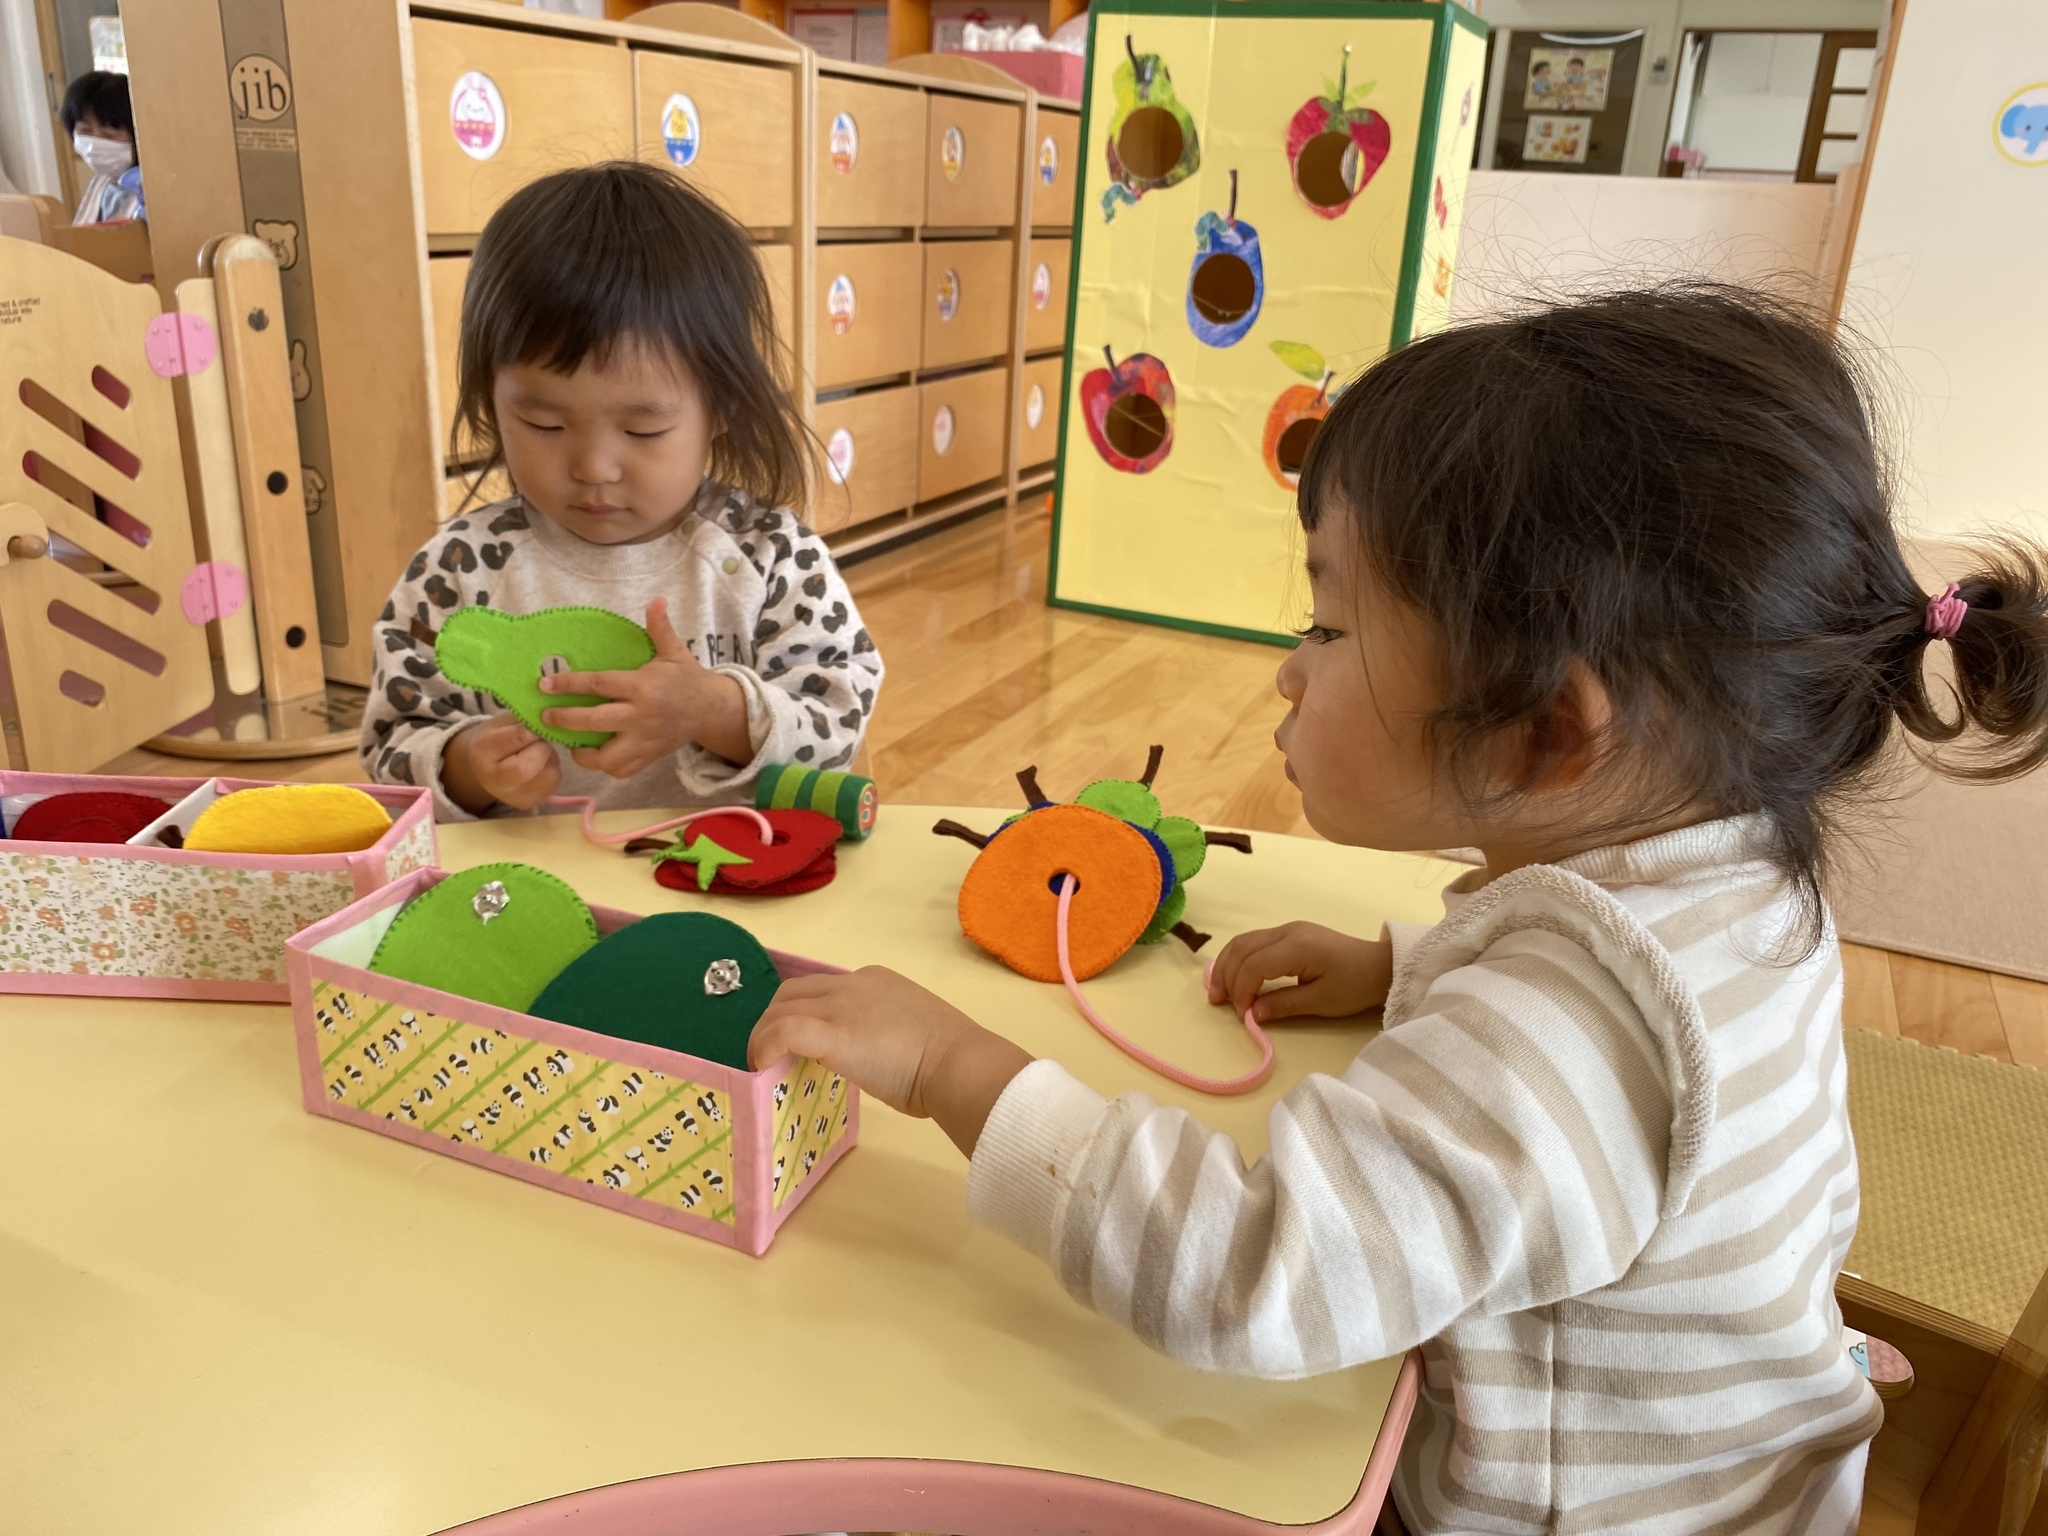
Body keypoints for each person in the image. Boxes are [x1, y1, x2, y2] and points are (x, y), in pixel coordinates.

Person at [746, 287, 2048, 1534]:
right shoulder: (1737, 868)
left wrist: (950, 1066)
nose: (1287, 670)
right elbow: (1614, 1035)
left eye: (1327, 626)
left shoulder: (1562, 1039)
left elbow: (1251, 1268)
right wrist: (1404, 963)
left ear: (1547, 731)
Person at [361, 162, 881, 818]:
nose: (594, 467)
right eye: (544, 424)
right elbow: (392, 742)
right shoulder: (459, 569)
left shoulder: (770, 556)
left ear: (721, 407)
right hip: (531, 873)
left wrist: (712, 710)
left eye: (644, 429)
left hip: (726, 859)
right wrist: (466, 765)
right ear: (492, 401)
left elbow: (838, 720)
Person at [59, 71, 144, 224]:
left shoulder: (148, 189)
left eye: (109, 135)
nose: (95, 144)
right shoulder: (100, 183)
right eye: (85, 131)